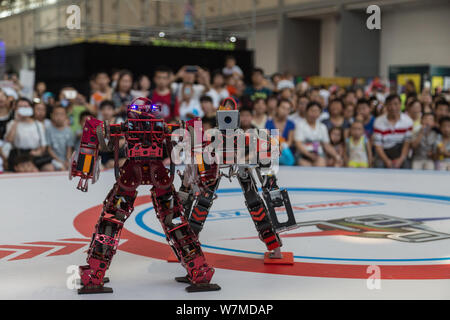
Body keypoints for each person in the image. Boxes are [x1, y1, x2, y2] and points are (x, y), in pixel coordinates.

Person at [5, 98, 54, 172]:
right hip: (18, 155)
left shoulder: (38, 124)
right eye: (20, 107)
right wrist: (17, 121)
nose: (23, 109)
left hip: (34, 154)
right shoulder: (12, 123)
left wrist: (39, 152)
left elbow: (43, 144)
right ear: (16, 109)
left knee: (48, 168)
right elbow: (9, 140)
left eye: (26, 106)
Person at [295, 102, 342, 167]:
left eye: (317, 111)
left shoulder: (322, 127)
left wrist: (336, 156)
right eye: (312, 110)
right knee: (306, 167)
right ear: (306, 111)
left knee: (321, 164)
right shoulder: (300, 125)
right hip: (303, 155)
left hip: (318, 155)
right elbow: (298, 143)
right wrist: (309, 155)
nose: (314, 113)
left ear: (320, 114)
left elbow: (326, 145)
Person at [373, 94, 413, 169]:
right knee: (378, 165)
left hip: (399, 152)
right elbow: (378, 146)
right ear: (386, 106)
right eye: (390, 104)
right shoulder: (378, 121)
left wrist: (400, 160)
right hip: (384, 152)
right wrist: (387, 161)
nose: (393, 107)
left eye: (396, 104)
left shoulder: (408, 121)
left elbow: (407, 144)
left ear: (401, 105)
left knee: (406, 165)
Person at [46, 106, 75, 171]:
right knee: (62, 168)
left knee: (72, 168)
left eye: (62, 114)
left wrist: (67, 160)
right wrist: (60, 161)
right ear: (52, 116)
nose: (59, 117)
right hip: (53, 159)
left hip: (66, 159)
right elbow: (49, 149)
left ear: (65, 116)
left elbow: (69, 149)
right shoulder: (49, 130)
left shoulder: (69, 130)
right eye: (56, 114)